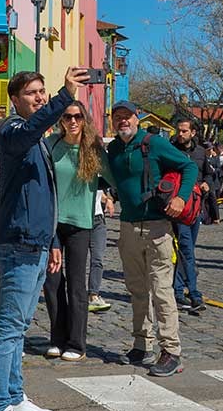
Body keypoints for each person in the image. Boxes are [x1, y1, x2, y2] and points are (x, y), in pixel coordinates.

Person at [0, 68, 87, 411]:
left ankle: (16, 396)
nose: (40, 97)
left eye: (43, 91)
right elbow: (28, 131)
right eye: (33, 92)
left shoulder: (38, 139)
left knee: (20, 328)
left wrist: (54, 240)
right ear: (15, 99)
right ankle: (1, 404)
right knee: (9, 327)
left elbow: (47, 196)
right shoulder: (11, 131)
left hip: (37, 242)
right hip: (17, 242)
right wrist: (64, 96)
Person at [106, 100, 197, 378]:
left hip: (157, 227)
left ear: (137, 119)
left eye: (128, 117)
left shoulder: (154, 143)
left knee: (161, 290)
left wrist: (181, 198)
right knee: (136, 289)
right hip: (128, 226)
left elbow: (189, 166)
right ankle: (141, 344)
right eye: (118, 117)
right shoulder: (114, 149)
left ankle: (171, 350)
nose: (123, 121)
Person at [43, 101, 109, 362]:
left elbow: (114, 177)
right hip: (53, 223)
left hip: (82, 224)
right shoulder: (51, 145)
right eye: (68, 117)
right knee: (52, 284)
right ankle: (57, 338)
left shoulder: (93, 149)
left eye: (78, 117)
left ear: (84, 120)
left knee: (77, 286)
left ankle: (77, 343)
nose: (72, 121)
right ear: (61, 120)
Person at [170, 119, 208, 313]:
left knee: (187, 249)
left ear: (193, 132)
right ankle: (191, 292)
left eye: (184, 131)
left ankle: (179, 289)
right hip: (178, 208)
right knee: (186, 249)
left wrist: (207, 184)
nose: (180, 133)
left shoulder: (201, 153)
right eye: (179, 130)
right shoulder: (170, 149)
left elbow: (209, 174)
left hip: (196, 208)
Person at [86, 190, 114, 313]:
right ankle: (77, 296)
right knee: (78, 260)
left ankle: (93, 295)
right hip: (81, 218)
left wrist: (108, 199)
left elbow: (101, 191)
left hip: (98, 220)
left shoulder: (100, 172)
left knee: (98, 259)